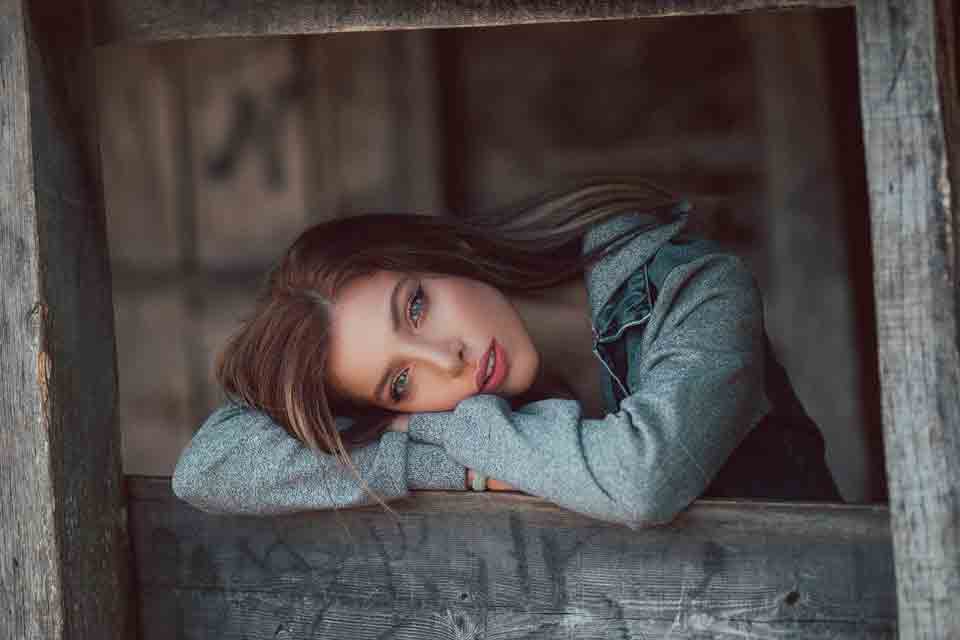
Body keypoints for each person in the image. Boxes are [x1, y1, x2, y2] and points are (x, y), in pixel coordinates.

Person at [172, 178, 842, 529]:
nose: (447, 360)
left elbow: (641, 479)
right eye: (399, 384)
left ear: (444, 254)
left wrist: (440, 424)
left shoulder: (690, 284)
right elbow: (208, 468)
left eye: (415, 306)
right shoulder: (480, 418)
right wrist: (444, 469)